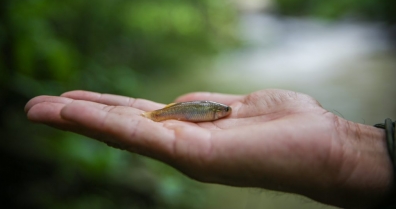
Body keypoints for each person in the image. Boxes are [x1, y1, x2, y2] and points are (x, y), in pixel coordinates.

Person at [25, 89, 394, 208]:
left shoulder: (215, 112)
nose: (222, 113)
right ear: (215, 112)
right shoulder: (201, 111)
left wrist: (347, 147)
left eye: (221, 112)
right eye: (222, 112)